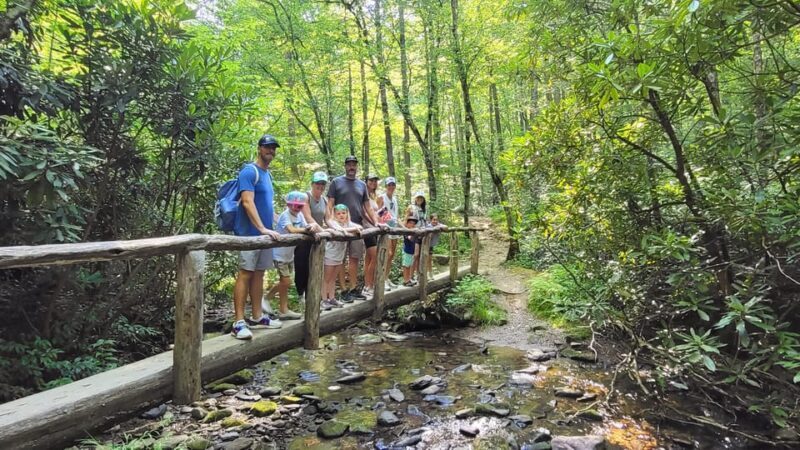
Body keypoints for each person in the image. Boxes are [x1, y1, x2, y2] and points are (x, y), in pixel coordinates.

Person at [231, 134, 283, 340]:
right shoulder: (249, 171)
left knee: (259, 273)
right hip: (248, 234)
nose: (271, 150)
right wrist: (262, 228)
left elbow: (267, 206)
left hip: (265, 234)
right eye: (268, 147)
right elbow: (247, 201)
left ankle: (257, 316)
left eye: (273, 147)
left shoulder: (267, 175)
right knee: (245, 273)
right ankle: (238, 322)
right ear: (259, 148)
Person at [326, 156, 384, 302]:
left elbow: (368, 206)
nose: (352, 167)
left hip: (357, 226)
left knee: (355, 258)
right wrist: (330, 222)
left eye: (354, 165)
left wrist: (376, 222)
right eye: (349, 164)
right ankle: (343, 290)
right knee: (339, 259)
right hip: (340, 227)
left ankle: (353, 288)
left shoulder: (361, 185)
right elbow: (330, 204)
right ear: (345, 166)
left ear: (357, 167)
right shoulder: (336, 182)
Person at [265, 191, 314, 320]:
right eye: (294, 205)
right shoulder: (285, 215)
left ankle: (283, 309)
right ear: (288, 204)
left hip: (289, 254)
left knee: (285, 282)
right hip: (279, 254)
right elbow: (291, 229)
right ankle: (266, 298)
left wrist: (311, 227)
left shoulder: (300, 216)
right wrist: (305, 230)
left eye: (299, 206)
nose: (296, 208)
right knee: (286, 281)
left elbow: (305, 226)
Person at [294, 171, 327, 306]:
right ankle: (300, 295)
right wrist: (324, 231)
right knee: (302, 267)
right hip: (304, 238)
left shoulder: (324, 200)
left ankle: (313, 298)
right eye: (317, 183)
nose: (320, 186)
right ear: (312, 184)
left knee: (316, 267)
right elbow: (308, 217)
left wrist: (338, 229)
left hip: (317, 239)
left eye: (322, 184)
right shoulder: (306, 197)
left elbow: (329, 218)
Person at [323, 204, 362, 310]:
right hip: (330, 254)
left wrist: (353, 228)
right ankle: (324, 300)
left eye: (343, 213)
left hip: (339, 255)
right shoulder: (333, 223)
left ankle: (331, 298)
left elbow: (359, 227)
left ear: (347, 214)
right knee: (327, 278)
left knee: (333, 278)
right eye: (338, 213)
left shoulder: (348, 223)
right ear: (334, 215)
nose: (341, 215)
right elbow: (338, 230)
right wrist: (353, 229)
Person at [376, 177, 400, 290]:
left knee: (392, 255)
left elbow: (396, 216)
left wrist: (404, 228)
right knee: (388, 253)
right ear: (386, 186)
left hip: (394, 229)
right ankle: (381, 279)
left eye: (392, 185)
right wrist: (388, 221)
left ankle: (386, 278)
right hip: (386, 229)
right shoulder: (381, 197)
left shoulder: (395, 199)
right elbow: (378, 212)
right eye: (389, 185)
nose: (391, 187)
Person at [405, 191, 428, 280]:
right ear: (415, 198)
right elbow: (406, 219)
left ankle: (418, 274)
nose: (420, 199)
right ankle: (410, 276)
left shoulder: (424, 209)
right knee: (415, 255)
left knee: (420, 255)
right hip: (414, 234)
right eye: (418, 198)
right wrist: (407, 231)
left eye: (421, 198)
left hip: (423, 233)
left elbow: (426, 221)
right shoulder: (411, 207)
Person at [425, 213, 447, 278]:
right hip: (425, 245)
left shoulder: (438, 225)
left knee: (429, 259)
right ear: (431, 220)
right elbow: (429, 236)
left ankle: (430, 274)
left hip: (430, 245)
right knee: (426, 260)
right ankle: (425, 275)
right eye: (434, 220)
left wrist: (438, 227)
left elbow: (446, 227)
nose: (435, 221)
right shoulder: (428, 226)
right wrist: (434, 229)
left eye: (436, 220)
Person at [401, 216, 419, 286]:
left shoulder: (413, 232)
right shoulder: (406, 232)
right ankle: (406, 280)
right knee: (406, 266)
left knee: (409, 265)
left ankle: (408, 279)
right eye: (410, 223)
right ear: (407, 224)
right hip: (407, 251)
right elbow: (409, 238)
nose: (412, 225)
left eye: (414, 223)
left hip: (411, 252)